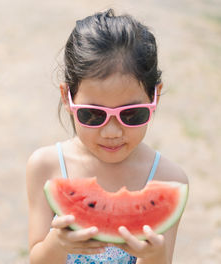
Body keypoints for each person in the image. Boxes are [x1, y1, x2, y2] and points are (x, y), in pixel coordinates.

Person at [26, 9, 188, 264]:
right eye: (93, 114)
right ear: (67, 98)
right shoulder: (46, 166)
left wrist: (154, 256)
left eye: (132, 114)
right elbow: (36, 259)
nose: (111, 132)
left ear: (154, 96)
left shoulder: (168, 180)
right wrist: (58, 243)